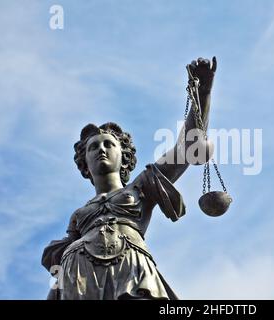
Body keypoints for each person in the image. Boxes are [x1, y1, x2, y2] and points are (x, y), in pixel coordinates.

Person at [41, 57, 217, 300]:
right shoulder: (80, 215)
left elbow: (186, 148)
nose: (101, 150)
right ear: (85, 163)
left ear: (123, 156)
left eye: (108, 145)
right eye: (93, 147)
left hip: (131, 268)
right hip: (79, 274)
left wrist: (203, 91)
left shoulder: (144, 185)